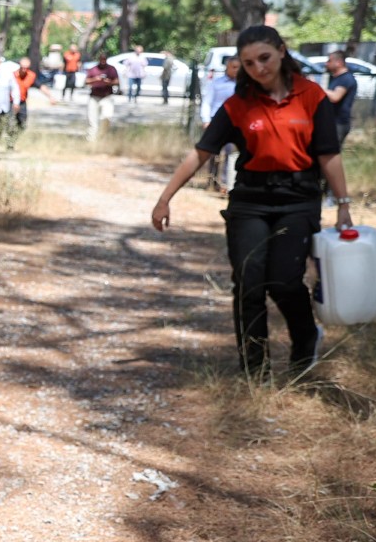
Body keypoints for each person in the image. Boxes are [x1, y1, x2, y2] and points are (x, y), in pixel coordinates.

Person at [151, 24, 351, 377]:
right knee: (249, 282)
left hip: (298, 199)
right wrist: (165, 198)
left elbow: (329, 155)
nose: (259, 68)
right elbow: (199, 154)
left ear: (282, 52)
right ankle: (254, 371)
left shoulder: (312, 96)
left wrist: (344, 206)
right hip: (250, 201)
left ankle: (306, 340)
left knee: (285, 281)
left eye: (265, 58)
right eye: (249, 63)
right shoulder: (237, 105)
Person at [201, 55, 241, 191]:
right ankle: (211, 180)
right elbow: (207, 102)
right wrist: (206, 119)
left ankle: (225, 183)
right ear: (227, 67)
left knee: (231, 154)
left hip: (235, 124)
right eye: (233, 67)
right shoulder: (216, 83)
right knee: (213, 154)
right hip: (215, 122)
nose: (236, 70)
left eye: (239, 68)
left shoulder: (242, 85)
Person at [322, 51, 358, 146]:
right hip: (332, 122)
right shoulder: (336, 78)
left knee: (330, 154)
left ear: (339, 62)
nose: (327, 63)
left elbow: (335, 97)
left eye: (329, 61)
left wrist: (316, 88)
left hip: (339, 123)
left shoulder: (346, 79)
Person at [84, 54, 118, 142]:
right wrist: (95, 79)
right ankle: (91, 141)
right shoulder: (93, 69)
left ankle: (102, 137)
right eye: (101, 59)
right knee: (92, 121)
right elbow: (86, 81)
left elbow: (117, 82)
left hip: (107, 96)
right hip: (94, 96)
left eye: (104, 59)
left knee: (106, 117)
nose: (103, 61)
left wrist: (109, 82)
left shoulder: (111, 69)